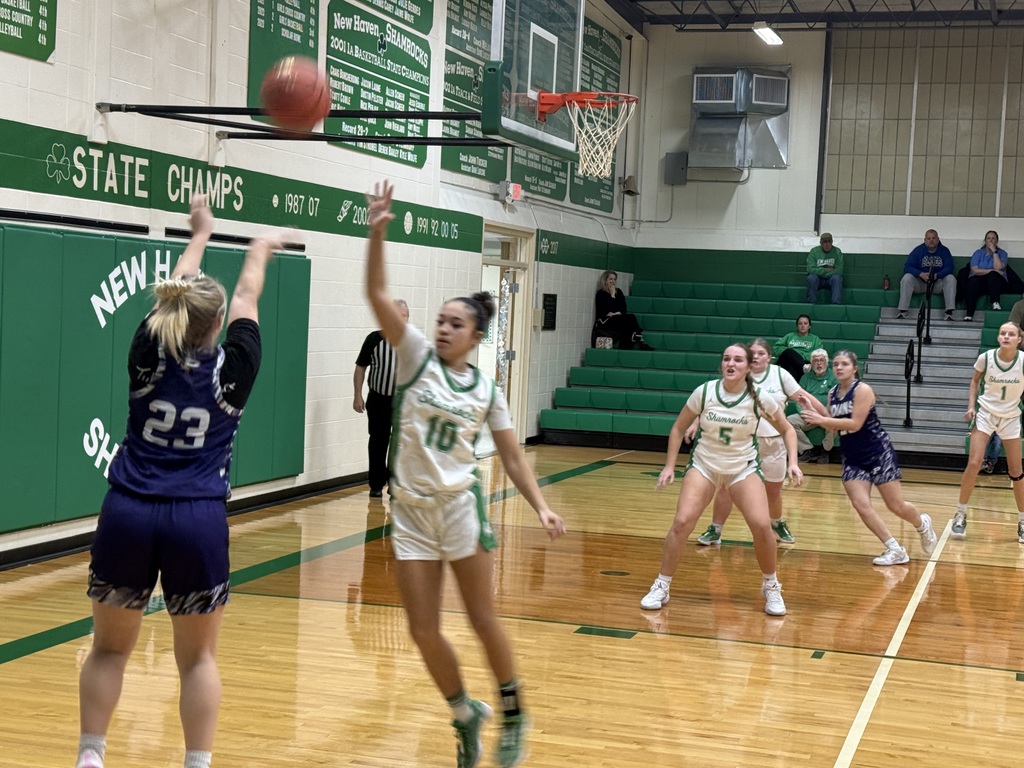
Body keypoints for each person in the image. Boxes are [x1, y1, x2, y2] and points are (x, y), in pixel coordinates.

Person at [75, 195, 287, 768]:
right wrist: (260, 248)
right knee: (197, 661)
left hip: (128, 511)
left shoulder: (147, 349)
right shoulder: (233, 368)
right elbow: (246, 296)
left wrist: (200, 233)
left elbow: (183, 286)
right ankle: (196, 762)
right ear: (217, 324)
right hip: (196, 517)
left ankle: (91, 757)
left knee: (109, 650)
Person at [364, 179, 566, 768]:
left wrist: (540, 505)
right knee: (423, 631)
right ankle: (463, 710)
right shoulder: (416, 356)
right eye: (441, 320)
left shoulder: (487, 388)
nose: (445, 327)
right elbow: (377, 293)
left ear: (477, 336)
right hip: (410, 511)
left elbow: (511, 457)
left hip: (458, 507)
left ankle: (513, 711)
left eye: (457, 323)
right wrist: (377, 229)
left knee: (481, 618)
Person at [640, 343, 804, 617]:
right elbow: (679, 427)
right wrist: (669, 466)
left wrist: (794, 463)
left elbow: (787, 430)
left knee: (762, 526)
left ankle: (771, 585)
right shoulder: (704, 392)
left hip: (742, 467)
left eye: (738, 359)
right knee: (682, 522)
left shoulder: (761, 397)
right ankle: (662, 584)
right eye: (726, 358)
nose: (731, 363)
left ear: (749, 366)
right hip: (705, 464)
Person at [801, 351, 937, 565]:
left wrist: (821, 419)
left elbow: (855, 424)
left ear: (854, 368)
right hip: (852, 455)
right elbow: (831, 422)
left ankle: (922, 524)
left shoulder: (862, 390)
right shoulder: (833, 393)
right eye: (835, 364)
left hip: (877, 451)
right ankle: (895, 549)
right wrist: (813, 411)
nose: (838, 367)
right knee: (860, 504)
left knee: (896, 505)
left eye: (844, 363)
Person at [694, 339, 818, 546]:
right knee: (726, 488)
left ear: (769, 356)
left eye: (761, 353)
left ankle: (777, 523)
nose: (757, 357)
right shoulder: (740, 375)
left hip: (774, 442)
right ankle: (715, 529)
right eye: (753, 354)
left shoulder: (780, 375)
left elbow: (801, 399)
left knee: (773, 491)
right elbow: (716, 400)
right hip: (745, 442)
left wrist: (824, 415)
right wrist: (696, 421)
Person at [951, 322, 1024, 540]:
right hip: (985, 414)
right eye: (1002, 333)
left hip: (1011, 417)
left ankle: (1022, 521)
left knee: (1016, 472)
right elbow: (974, 382)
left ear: (1019, 339)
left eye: (1011, 334)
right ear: (998, 337)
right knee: (974, 463)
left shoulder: (1023, 361)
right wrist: (971, 406)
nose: (1006, 337)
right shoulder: (986, 357)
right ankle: (960, 514)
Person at [353, 299, 410, 498]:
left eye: (404, 316)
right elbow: (361, 367)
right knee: (378, 442)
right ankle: (376, 484)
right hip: (378, 399)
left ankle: (396, 484)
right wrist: (357, 395)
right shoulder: (374, 339)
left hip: (403, 402)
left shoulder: (413, 342)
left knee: (400, 444)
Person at [788, 348, 838, 463]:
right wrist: (805, 413)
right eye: (815, 361)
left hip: (826, 414)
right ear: (811, 363)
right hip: (808, 415)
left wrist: (822, 415)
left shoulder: (834, 377)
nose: (819, 363)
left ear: (826, 362)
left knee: (834, 421)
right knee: (790, 421)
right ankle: (807, 451)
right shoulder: (805, 378)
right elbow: (798, 399)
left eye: (821, 360)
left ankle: (825, 451)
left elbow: (836, 399)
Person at [897, 229, 957, 321]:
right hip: (920, 283)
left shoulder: (944, 251)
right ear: (925, 240)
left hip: (937, 283)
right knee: (907, 278)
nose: (931, 240)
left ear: (938, 239)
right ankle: (903, 311)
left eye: (933, 238)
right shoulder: (918, 250)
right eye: (929, 238)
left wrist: (937, 275)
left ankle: (949, 312)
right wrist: (920, 274)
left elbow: (950, 267)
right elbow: (907, 266)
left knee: (951, 278)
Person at [593, 270, 654, 350]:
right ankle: (639, 338)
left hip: (618, 318)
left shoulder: (619, 292)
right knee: (629, 320)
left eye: (614, 279)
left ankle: (627, 346)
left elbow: (623, 308)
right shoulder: (601, 294)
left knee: (629, 319)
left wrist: (617, 312)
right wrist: (612, 295)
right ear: (605, 280)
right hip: (606, 321)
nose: (613, 282)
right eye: (610, 279)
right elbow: (605, 310)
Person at [963, 230, 1009, 322]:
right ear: (985, 241)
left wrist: (995, 252)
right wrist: (991, 270)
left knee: (993, 275)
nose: (991, 241)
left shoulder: (1002, 253)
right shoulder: (978, 253)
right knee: (972, 281)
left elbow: (998, 267)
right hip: (980, 281)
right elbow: (975, 270)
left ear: (997, 241)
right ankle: (969, 313)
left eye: (993, 238)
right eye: (988, 238)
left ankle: (995, 302)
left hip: (997, 283)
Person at [773, 314, 822, 383]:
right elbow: (776, 348)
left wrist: (798, 356)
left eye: (805, 323)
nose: (803, 325)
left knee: (793, 369)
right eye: (800, 323)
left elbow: (818, 353)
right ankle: (803, 366)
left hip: (801, 365)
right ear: (797, 326)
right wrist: (792, 354)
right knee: (789, 351)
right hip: (787, 362)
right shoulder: (790, 336)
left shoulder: (815, 339)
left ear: (809, 326)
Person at [806, 232, 844, 304]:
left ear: (832, 242)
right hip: (818, 279)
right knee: (811, 278)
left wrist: (825, 273)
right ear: (820, 242)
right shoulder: (814, 251)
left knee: (837, 278)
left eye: (829, 242)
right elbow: (810, 269)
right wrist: (825, 270)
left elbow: (839, 270)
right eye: (824, 242)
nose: (827, 244)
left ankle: (836, 303)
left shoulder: (837, 252)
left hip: (830, 279)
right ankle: (811, 302)